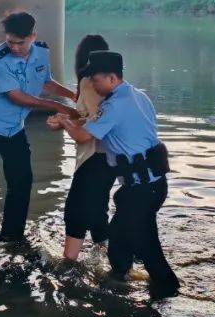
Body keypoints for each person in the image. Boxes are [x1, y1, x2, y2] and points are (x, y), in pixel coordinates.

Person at [54, 50, 180, 296]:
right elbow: (103, 126)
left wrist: (64, 122)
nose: (93, 85)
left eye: (96, 80)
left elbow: (82, 137)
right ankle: (119, 281)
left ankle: (169, 293)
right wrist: (73, 121)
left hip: (141, 191)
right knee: (119, 242)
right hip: (150, 185)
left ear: (112, 78)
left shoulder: (114, 105)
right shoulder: (139, 96)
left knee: (147, 247)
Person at [0, 11, 78, 244]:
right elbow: (17, 97)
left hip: (14, 128)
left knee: (22, 181)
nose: (14, 47)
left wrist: (72, 94)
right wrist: (59, 107)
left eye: (20, 43)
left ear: (33, 36)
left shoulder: (41, 52)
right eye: (10, 41)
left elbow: (46, 82)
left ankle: (11, 236)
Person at [46, 34, 114, 261]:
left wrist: (66, 123)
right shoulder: (109, 83)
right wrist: (68, 121)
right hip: (111, 157)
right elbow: (94, 117)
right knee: (98, 209)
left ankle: (69, 263)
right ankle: (105, 256)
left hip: (93, 156)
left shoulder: (88, 82)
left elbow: (92, 127)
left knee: (75, 210)